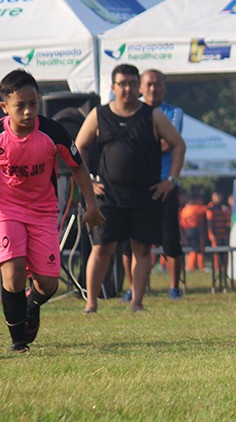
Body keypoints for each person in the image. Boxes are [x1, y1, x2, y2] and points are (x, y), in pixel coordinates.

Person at [0, 70, 104, 352]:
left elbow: (78, 167)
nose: (28, 112)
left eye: (33, 104)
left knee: (49, 284)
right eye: (20, 106)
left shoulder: (53, 132)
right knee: (13, 274)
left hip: (43, 212)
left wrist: (92, 206)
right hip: (5, 209)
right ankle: (18, 340)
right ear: (5, 107)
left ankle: (31, 305)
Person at [75, 63, 185, 313]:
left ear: (139, 87)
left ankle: (137, 302)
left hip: (145, 194)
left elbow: (178, 144)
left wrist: (171, 180)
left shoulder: (153, 115)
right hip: (109, 194)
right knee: (101, 248)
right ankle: (91, 303)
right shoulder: (99, 114)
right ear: (113, 87)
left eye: (133, 84)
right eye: (122, 84)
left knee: (142, 249)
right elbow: (78, 147)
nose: (127, 89)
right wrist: (88, 182)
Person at [140, 69, 187, 299]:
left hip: (165, 183)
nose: (153, 89)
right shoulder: (131, 112)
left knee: (171, 239)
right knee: (134, 242)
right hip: (138, 184)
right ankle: (135, 288)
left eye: (157, 84)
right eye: (148, 84)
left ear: (164, 88)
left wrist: (136, 144)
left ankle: (174, 287)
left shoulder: (174, 113)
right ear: (140, 88)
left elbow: (168, 143)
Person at [179, 190, 208, 273]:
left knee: (191, 248)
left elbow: (182, 222)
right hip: (195, 230)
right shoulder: (197, 208)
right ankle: (192, 266)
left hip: (186, 230)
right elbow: (206, 210)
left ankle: (192, 265)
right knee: (195, 249)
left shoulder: (184, 210)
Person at [206, 189, 232, 277]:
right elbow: (209, 223)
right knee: (216, 254)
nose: (218, 198)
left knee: (225, 254)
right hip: (215, 235)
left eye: (219, 195)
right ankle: (218, 270)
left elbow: (226, 222)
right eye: (216, 196)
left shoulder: (223, 208)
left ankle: (225, 270)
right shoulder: (210, 208)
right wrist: (211, 235)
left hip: (223, 235)